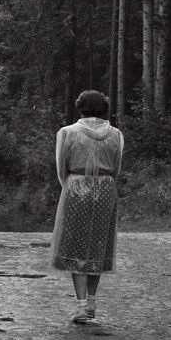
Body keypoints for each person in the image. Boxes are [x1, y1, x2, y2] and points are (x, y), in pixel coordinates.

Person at [50, 89, 124, 324]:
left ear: (80, 107)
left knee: (75, 244)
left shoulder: (68, 132)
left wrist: (69, 185)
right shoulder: (116, 135)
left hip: (76, 186)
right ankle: (91, 300)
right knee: (98, 244)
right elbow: (117, 167)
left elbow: (61, 166)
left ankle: (82, 304)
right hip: (105, 189)